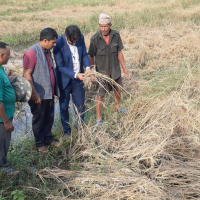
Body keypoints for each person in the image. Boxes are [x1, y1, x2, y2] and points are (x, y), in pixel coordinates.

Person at [88, 13, 130, 125]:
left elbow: (119, 52)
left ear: (110, 26)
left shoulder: (116, 35)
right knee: (100, 95)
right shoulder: (95, 39)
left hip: (115, 71)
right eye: (101, 26)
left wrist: (125, 69)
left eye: (105, 26)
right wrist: (92, 73)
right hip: (102, 72)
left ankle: (117, 107)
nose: (103, 29)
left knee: (118, 90)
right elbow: (91, 56)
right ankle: (98, 118)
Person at [23, 28, 60, 153]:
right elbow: (26, 74)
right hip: (39, 94)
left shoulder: (47, 50)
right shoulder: (31, 53)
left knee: (49, 117)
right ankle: (40, 144)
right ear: (45, 40)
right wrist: (34, 93)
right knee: (39, 119)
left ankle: (48, 139)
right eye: (53, 42)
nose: (54, 45)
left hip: (48, 92)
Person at [53, 25, 90, 137]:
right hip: (64, 80)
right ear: (65, 36)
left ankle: (80, 128)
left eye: (76, 41)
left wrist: (87, 67)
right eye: (72, 41)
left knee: (80, 105)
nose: (74, 43)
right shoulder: (58, 44)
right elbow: (60, 66)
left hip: (79, 80)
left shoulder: (80, 38)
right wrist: (75, 74)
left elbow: (84, 54)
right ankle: (67, 131)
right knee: (64, 107)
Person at [0, 42, 19, 175]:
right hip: (2, 117)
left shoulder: (1, 68)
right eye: (8, 55)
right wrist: (6, 121)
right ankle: (4, 167)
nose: (9, 57)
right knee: (2, 142)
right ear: (1, 55)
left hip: (6, 114)